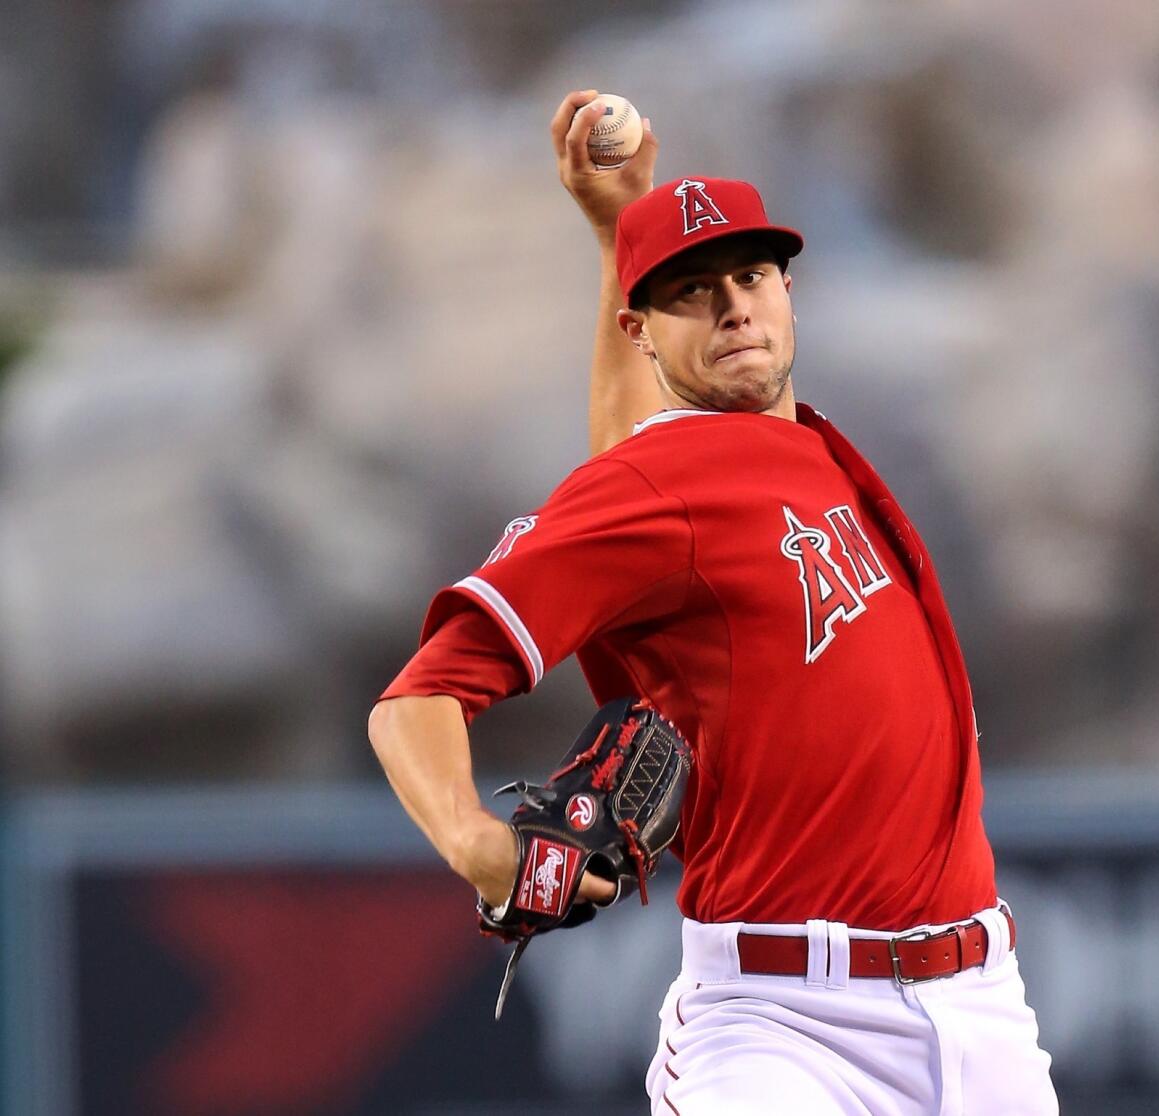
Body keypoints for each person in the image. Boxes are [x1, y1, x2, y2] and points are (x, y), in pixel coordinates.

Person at [368, 90, 1058, 1115]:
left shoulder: (788, 451)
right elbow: (415, 699)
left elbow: (634, 460)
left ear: (788, 291)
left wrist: (622, 225)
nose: (734, 304)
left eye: (749, 275)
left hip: (981, 1009)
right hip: (782, 1028)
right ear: (640, 328)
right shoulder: (658, 488)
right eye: (692, 291)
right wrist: (480, 846)